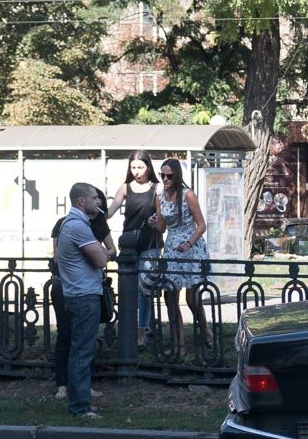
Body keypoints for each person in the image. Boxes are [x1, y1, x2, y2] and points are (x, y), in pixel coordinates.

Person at [50, 189, 116, 403]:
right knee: (76, 346)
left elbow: (108, 250)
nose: (99, 202)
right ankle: (78, 404)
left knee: (82, 346)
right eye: (94, 198)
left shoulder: (83, 224)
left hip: (81, 292)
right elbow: (101, 260)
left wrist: (100, 250)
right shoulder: (76, 225)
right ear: (81, 201)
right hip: (80, 293)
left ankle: (81, 395)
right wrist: (99, 250)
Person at [153, 158, 212, 356]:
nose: (165, 179)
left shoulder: (188, 195)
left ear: (177, 175)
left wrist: (189, 243)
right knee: (170, 296)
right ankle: (179, 345)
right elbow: (162, 227)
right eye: (162, 175)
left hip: (191, 246)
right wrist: (155, 223)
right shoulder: (160, 196)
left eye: (169, 176)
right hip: (171, 247)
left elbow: (202, 225)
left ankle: (205, 330)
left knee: (191, 298)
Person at [106, 151, 161, 348]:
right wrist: (95, 212)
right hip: (129, 243)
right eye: (133, 167)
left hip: (150, 244)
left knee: (144, 288)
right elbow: (110, 212)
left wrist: (157, 221)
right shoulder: (125, 188)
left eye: (140, 167)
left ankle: (141, 332)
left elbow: (163, 222)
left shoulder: (157, 188)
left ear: (148, 167)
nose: (137, 171)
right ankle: (136, 327)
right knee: (130, 288)